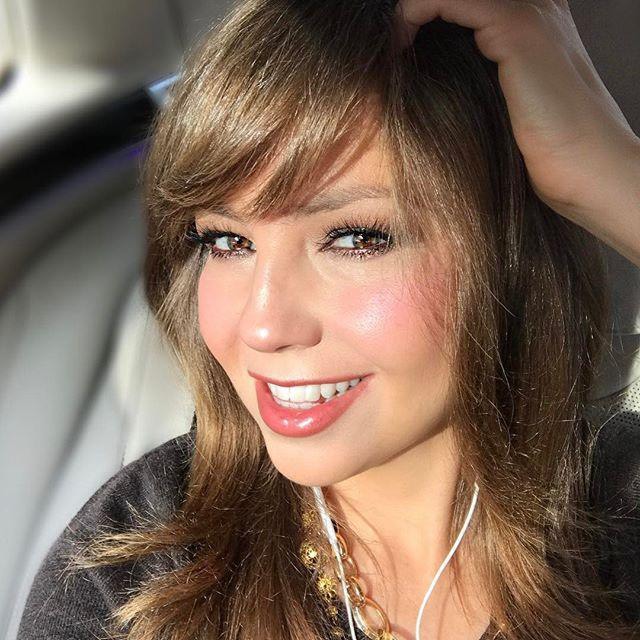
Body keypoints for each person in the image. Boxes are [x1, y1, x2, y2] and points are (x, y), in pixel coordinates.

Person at [17, 0, 640, 639]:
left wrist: (611, 171)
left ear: (507, 252)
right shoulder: (134, 570)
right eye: (227, 241)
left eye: (354, 239)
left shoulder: (620, 509)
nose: (263, 327)